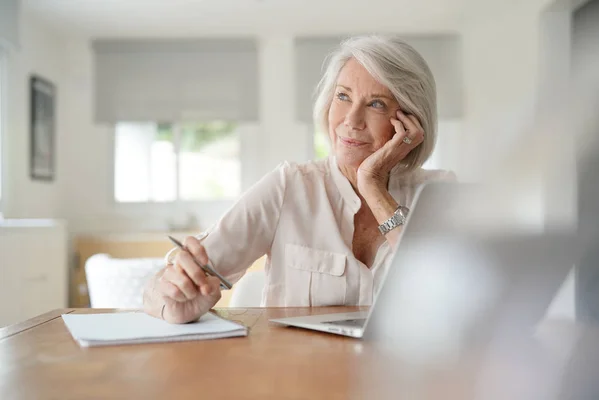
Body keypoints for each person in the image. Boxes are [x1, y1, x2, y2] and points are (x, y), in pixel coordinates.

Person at [143, 35, 455, 323]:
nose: (351, 120)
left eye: (376, 104)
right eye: (343, 96)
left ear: (410, 123)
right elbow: (170, 285)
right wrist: (172, 298)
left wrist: (372, 185)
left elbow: (449, 295)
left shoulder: (438, 192)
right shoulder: (288, 187)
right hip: (296, 376)